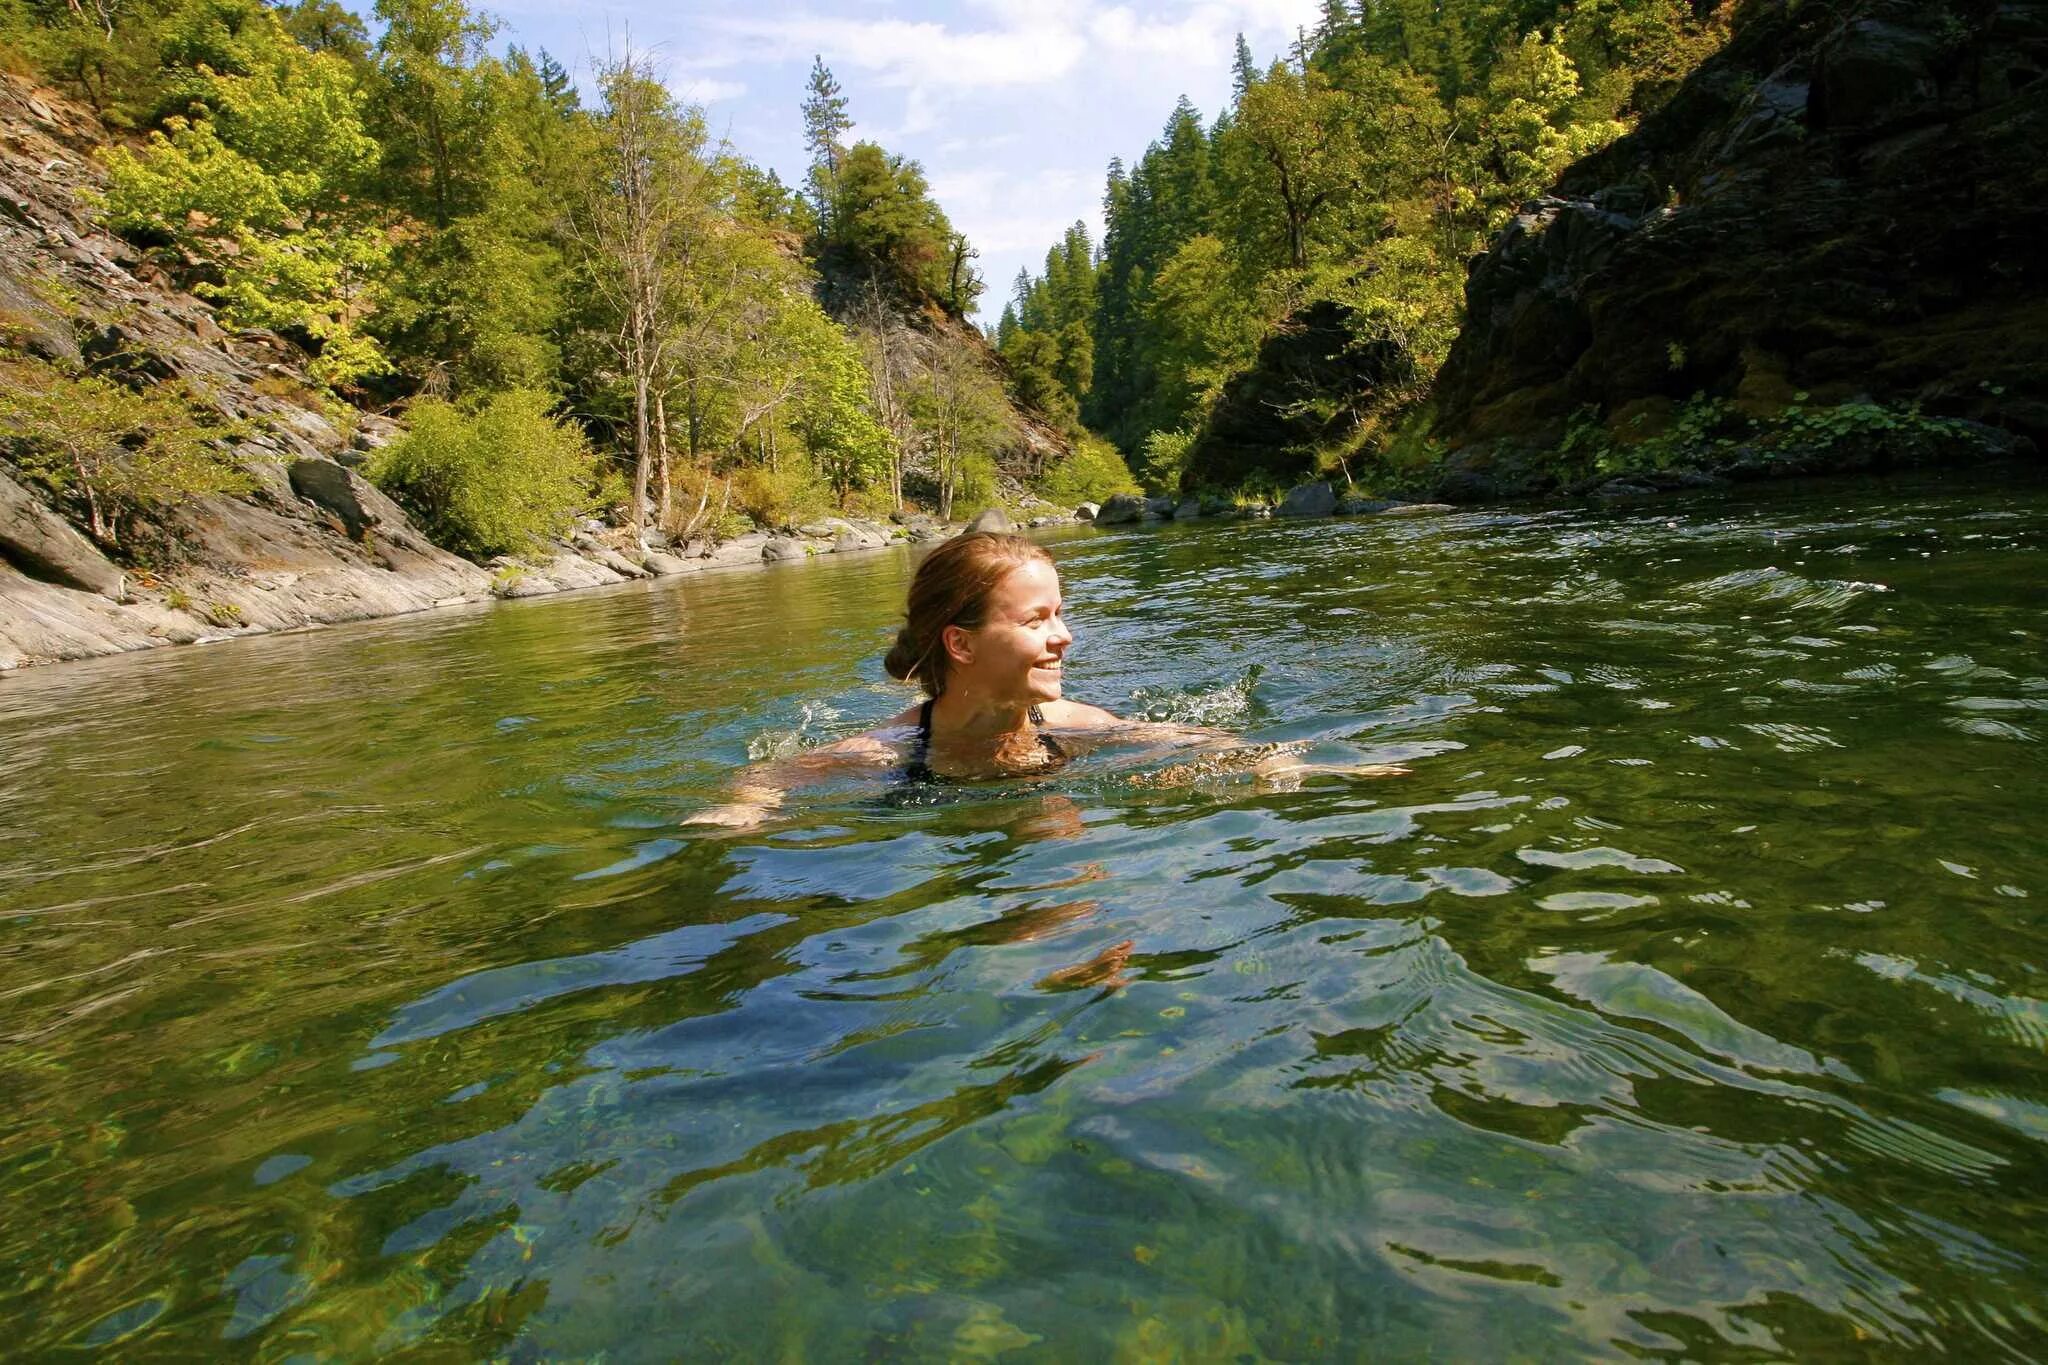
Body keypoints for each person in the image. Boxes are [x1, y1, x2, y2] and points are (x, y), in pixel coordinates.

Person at [683, 531, 1400, 828]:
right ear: (960, 644)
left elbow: (1210, 742)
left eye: (1060, 613)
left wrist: (1330, 767)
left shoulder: (1080, 729)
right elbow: (766, 777)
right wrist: (740, 811)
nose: (1064, 635)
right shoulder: (888, 752)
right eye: (1036, 620)